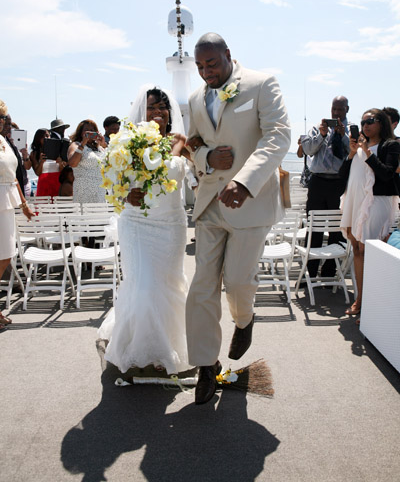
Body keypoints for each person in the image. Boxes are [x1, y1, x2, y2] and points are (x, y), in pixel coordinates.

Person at [185, 33, 291, 404]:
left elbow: (279, 137)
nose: (206, 73)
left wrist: (245, 183)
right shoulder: (195, 99)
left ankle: (245, 320)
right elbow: (192, 143)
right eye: (199, 67)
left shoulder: (262, 84)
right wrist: (206, 159)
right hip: (209, 203)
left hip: (251, 202)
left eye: (211, 64)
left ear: (228, 55)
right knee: (201, 286)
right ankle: (204, 366)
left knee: (237, 282)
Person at [98, 87, 190, 374]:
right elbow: (112, 180)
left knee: (168, 283)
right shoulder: (125, 142)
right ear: (142, 110)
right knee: (145, 285)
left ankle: (170, 345)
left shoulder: (178, 139)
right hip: (137, 221)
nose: (158, 112)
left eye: (163, 107)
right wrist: (125, 196)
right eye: (152, 107)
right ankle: (143, 347)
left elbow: (174, 168)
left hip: (171, 223)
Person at [339, 109, 400, 323]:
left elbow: (386, 174)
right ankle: (360, 299)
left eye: (370, 121)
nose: (365, 125)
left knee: (370, 250)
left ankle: (372, 306)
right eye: (363, 121)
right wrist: (352, 153)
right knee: (356, 248)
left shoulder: (391, 145)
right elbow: (342, 176)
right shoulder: (357, 149)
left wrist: (368, 152)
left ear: (382, 123)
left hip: (377, 201)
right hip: (355, 201)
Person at [300, 96, 350, 278]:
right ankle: (310, 273)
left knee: (337, 229)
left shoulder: (350, 130)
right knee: (314, 227)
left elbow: (352, 151)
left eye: (340, 109)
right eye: (334, 109)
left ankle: (329, 273)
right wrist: (321, 135)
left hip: (338, 182)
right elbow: (308, 150)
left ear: (347, 109)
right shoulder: (317, 128)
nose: (336, 113)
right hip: (318, 181)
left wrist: (343, 135)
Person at [0, 100, 34, 330]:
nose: (3, 121)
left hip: (7, 200)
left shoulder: (4, 141)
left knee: (5, 253)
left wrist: (24, 204)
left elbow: (13, 176)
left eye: (2, 117)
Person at [67, 120, 107, 204]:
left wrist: (103, 144)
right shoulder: (76, 145)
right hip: (84, 190)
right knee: (85, 216)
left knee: (100, 215)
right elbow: (73, 163)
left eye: (92, 130)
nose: (90, 132)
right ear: (80, 132)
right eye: (86, 130)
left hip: (100, 189)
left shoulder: (99, 148)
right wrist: (83, 143)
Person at [30, 128, 64, 197]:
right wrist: (41, 162)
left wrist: (60, 163)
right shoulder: (34, 154)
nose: (45, 138)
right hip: (43, 184)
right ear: (38, 139)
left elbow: (62, 171)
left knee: (58, 206)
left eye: (47, 135)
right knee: (42, 206)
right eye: (42, 137)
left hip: (57, 182)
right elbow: (37, 173)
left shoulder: (58, 151)